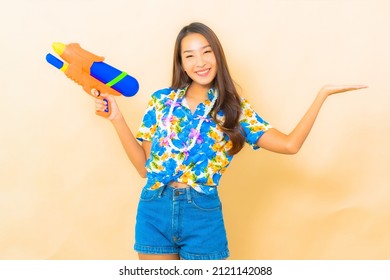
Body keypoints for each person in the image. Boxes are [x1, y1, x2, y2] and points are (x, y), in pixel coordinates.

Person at [92, 22, 367, 260]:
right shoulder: (161, 101)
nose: (199, 63)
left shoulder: (235, 110)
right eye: (190, 56)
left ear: (217, 55)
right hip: (154, 207)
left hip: (202, 214)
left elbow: (289, 145)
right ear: (182, 64)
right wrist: (116, 118)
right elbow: (144, 168)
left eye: (206, 52)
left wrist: (322, 95)